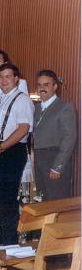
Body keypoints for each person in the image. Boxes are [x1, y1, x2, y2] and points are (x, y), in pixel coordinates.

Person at [0, 63, 34, 245]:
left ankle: (9, 242)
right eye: (0, 77)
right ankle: (4, 238)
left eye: (8, 77)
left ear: (16, 79)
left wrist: (1, 147)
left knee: (9, 197)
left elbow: (22, 129)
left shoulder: (22, 100)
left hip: (11, 151)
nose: (4, 80)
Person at [33, 70, 76, 200]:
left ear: (55, 86)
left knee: (57, 202)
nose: (42, 88)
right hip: (39, 159)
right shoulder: (36, 108)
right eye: (39, 85)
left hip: (54, 158)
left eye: (46, 85)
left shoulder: (64, 107)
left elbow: (69, 138)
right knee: (43, 201)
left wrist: (58, 167)